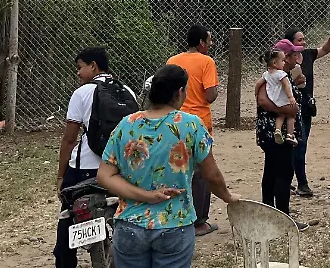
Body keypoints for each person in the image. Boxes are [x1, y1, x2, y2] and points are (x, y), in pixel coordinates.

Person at [98, 64, 238, 268]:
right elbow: (212, 176)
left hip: (129, 225)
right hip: (175, 225)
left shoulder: (126, 124)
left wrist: (146, 196)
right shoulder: (190, 125)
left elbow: (104, 176)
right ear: (180, 92)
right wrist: (228, 197)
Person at [55, 47, 137, 268]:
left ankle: (65, 261)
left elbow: (70, 139)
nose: (78, 73)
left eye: (80, 68)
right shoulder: (127, 91)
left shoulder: (81, 93)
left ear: (93, 66)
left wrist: (61, 176)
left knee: (66, 215)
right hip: (119, 169)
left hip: (85, 170)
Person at [166, 25, 221, 235]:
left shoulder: (172, 61)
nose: (211, 44)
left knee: (177, 168)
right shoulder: (207, 61)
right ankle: (199, 221)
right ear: (201, 43)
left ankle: (177, 216)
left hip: (173, 121)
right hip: (198, 123)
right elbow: (210, 95)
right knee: (201, 172)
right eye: (209, 40)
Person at [281, 28, 330, 198]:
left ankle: (289, 180)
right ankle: (301, 183)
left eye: (303, 39)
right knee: (299, 144)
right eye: (299, 40)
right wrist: (293, 81)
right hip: (290, 109)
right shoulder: (284, 60)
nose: (303, 42)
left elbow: (325, 50)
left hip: (306, 107)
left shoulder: (307, 54)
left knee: (298, 145)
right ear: (290, 43)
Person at [256, 40, 307, 229]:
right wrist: (288, 111)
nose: (294, 58)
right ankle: (282, 218)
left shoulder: (283, 76)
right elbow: (263, 100)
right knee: (284, 171)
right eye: (290, 55)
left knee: (271, 170)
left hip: (274, 132)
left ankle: (269, 214)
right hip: (274, 132)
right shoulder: (273, 77)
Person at [262, 48, 298, 145]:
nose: (284, 62)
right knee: (291, 115)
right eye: (282, 60)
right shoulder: (281, 74)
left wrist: (256, 92)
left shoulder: (266, 74)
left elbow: (258, 84)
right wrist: (291, 97)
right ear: (274, 63)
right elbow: (286, 85)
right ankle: (290, 135)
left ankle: (278, 130)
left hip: (273, 99)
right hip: (282, 98)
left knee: (281, 115)